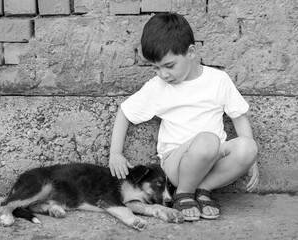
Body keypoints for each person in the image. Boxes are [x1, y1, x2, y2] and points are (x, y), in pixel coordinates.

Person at [109, 12, 259, 221]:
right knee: (208, 140)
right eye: (156, 68)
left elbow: (239, 116)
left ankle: (203, 188)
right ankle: (183, 192)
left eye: (169, 66)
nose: (163, 74)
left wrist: (251, 162)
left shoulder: (218, 80)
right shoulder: (158, 88)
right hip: (177, 163)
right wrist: (115, 153)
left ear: (191, 52)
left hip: (214, 159)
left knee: (248, 146)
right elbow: (125, 112)